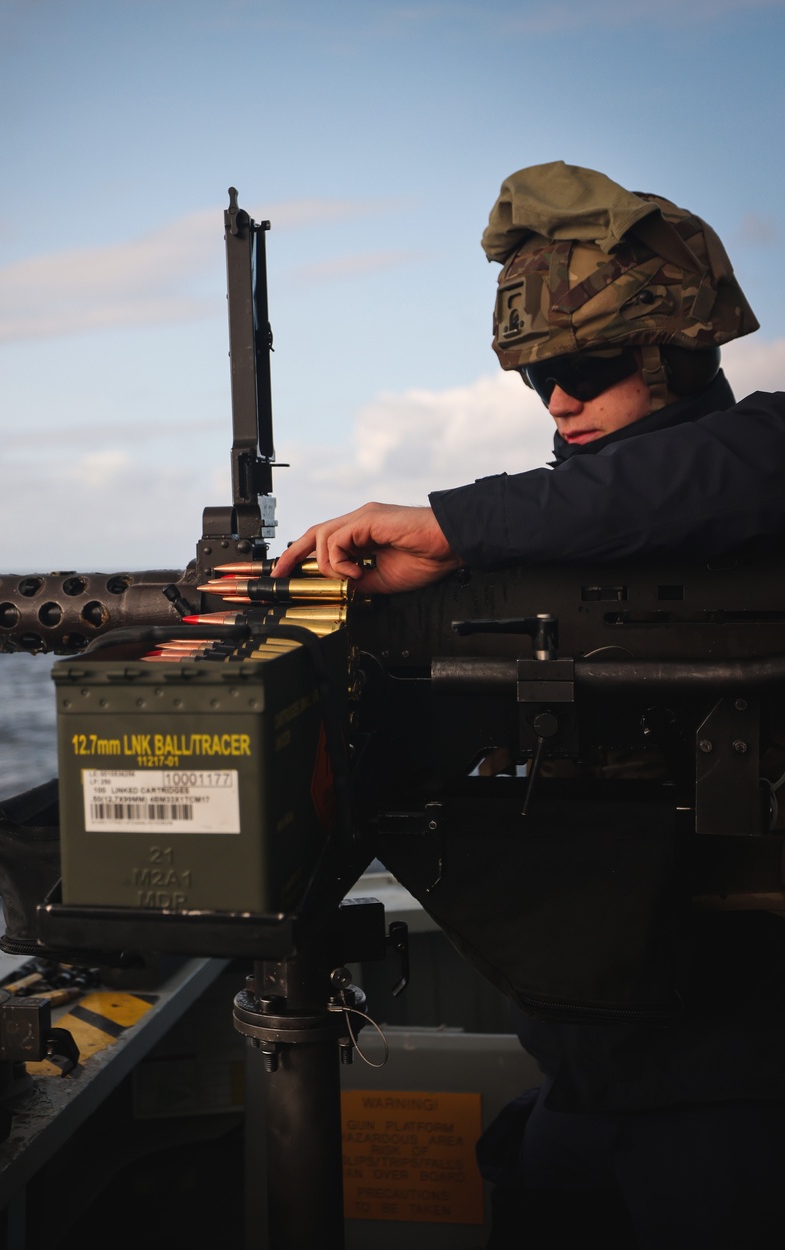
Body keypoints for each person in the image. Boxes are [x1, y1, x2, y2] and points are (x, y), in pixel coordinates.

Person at [272, 162, 785, 1248]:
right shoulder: (546, 547)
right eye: (536, 378)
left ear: (681, 355)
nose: (559, 401)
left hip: (738, 1087)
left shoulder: (748, 472)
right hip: (592, 1075)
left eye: (590, 367)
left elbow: (724, 473)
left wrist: (453, 530)